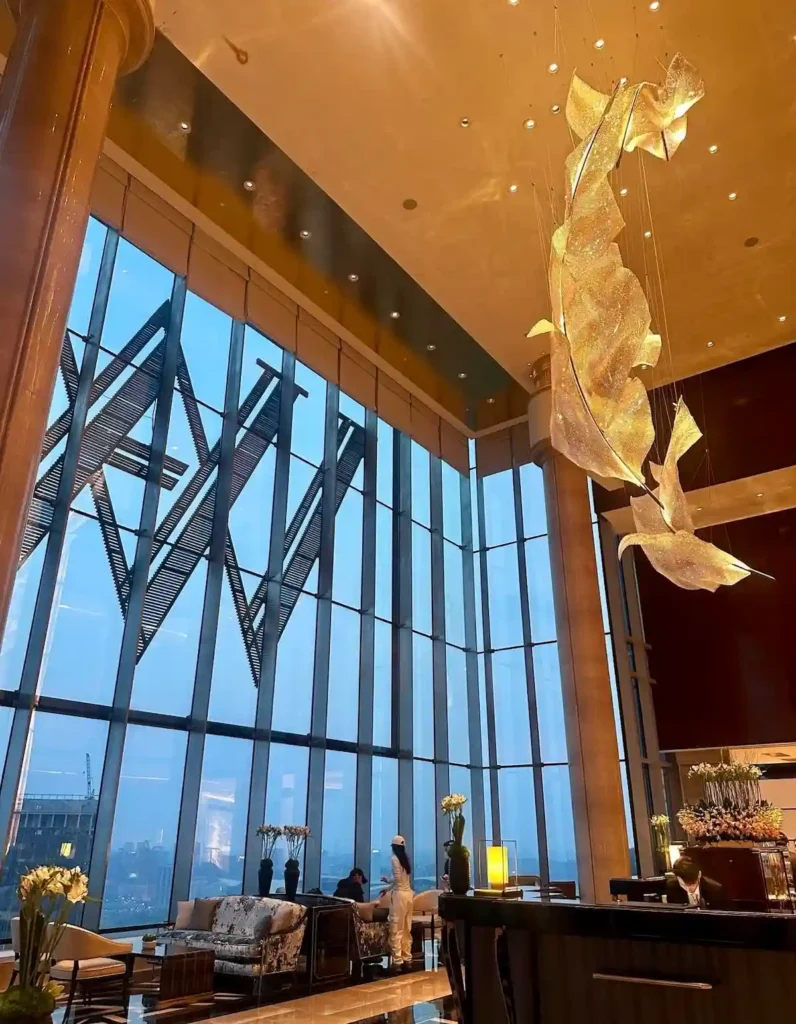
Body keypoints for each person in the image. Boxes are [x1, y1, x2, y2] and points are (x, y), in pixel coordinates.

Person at [380, 835, 414, 970]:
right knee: (407, 928)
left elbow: (397, 879)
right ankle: (408, 959)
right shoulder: (405, 860)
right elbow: (403, 881)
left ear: (394, 847)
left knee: (396, 928)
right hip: (409, 895)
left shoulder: (395, 859)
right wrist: (387, 889)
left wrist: (387, 881)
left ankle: (397, 961)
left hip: (399, 896)